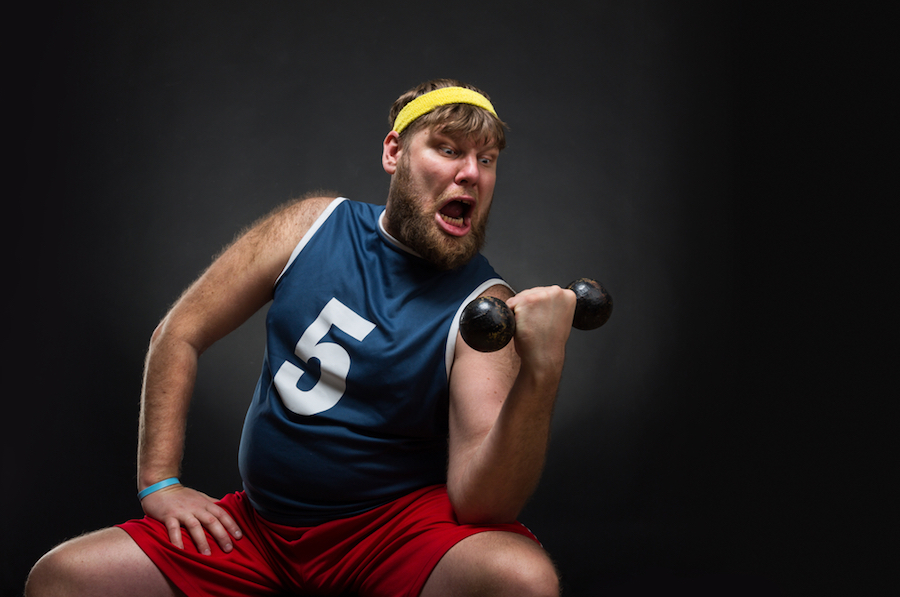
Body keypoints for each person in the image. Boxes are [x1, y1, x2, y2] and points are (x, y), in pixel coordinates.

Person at [26, 79, 576, 597]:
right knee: (61, 579)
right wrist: (158, 483)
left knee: (522, 579)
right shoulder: (312, 225)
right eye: (449, 149)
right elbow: (179, 333)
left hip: (388, 542)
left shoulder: (484, 308)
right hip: (259, 533)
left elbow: (484, 505)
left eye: (486, 160)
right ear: (394, 154)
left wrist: (541, 373)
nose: (471, 174)